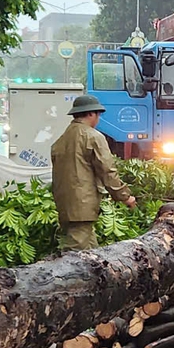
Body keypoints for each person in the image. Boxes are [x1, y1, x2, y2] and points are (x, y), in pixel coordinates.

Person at [50, 93, 134, 251]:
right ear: (90, 114)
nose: (98, 119)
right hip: (82, 206)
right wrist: (125, 196)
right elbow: (107, 171)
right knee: (74, 257)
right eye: (98, 115)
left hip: (66, 204)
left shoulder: (62, 138)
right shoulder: (93, 136)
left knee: (91, 255)